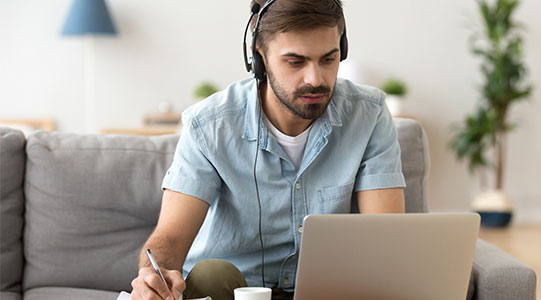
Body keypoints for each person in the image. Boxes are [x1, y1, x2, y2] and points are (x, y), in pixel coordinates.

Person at [130, 0, 406, 299]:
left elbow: (386, 239)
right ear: (259, 59)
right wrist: (153, 278)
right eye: (295, 61)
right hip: (233, 291)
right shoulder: (208, 126)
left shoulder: (370, 115)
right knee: (213, 274)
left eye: (328, 59)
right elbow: (170, 238)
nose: (315, 79)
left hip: (326, 291)